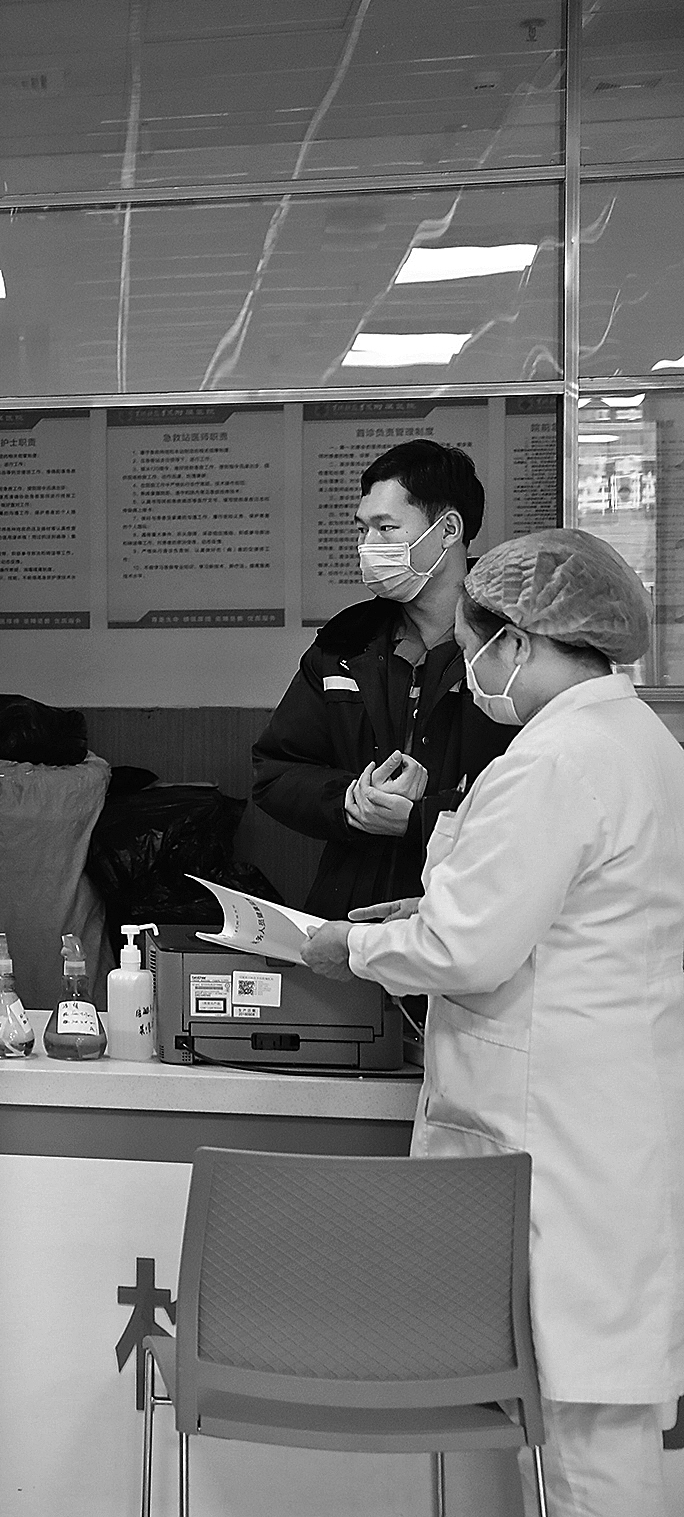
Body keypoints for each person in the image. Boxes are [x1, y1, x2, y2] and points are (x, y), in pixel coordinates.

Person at [300, 529, 683, 1517]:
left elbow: (470, 950)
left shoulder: (557, 758)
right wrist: (430, 914)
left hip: (560, 1140)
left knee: (580, 1442)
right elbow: (529, 911)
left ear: (518, 640)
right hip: (598, 1127)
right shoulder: (634, 740)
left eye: (477, 644)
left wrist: (352, 946)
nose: (472, 667)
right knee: (589, 1422)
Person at [253, 439, 513, 918]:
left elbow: (538, 794)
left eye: (386, 528)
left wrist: (422, 818)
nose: (367, 546)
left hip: (472, 912)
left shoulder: (512, 643)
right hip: (352, 910)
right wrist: (351, 802)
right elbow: (276, 771)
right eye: (362, 529)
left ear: (448, 530)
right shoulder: (346, 642)